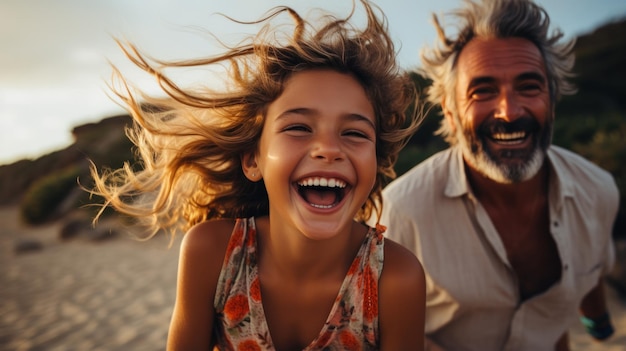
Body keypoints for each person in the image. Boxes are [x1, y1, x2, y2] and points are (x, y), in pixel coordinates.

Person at [90, 1, 426, 350]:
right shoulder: (211, 254)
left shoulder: (395, 278)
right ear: (253, 160)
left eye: (355, 133)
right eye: (298, 127)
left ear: (374, 161)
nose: (329, 148)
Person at [374, 0, 619, 350]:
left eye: (529, 86)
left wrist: (599, 325)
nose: (509, 112)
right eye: (483, 91)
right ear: (450, 109)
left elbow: (590, 270)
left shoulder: (597, 190)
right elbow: (376, 329)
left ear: (552, 98)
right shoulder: (399, 215)